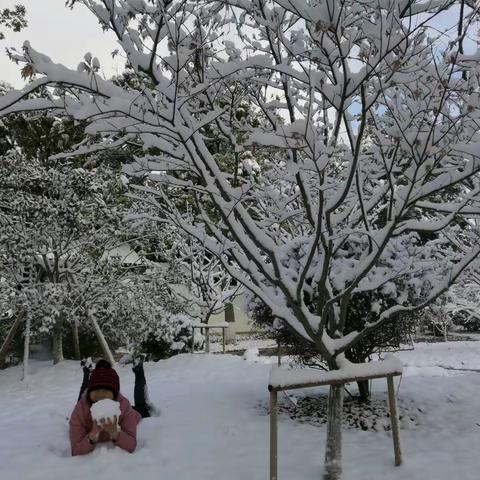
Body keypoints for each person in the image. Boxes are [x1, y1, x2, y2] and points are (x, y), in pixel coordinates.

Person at [69, 357, 151, 456]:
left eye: (105, 391)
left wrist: (115, 433)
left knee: (143, 409)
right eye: (96, 390)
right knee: (83, 399)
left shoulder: (124, 406)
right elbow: (76, 450)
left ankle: (138, 371)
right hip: (86, 401)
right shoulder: (80, 410)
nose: (100, 395)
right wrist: (92, 436)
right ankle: (87, 373)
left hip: (132, 412)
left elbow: (131, 445)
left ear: (115, 394)